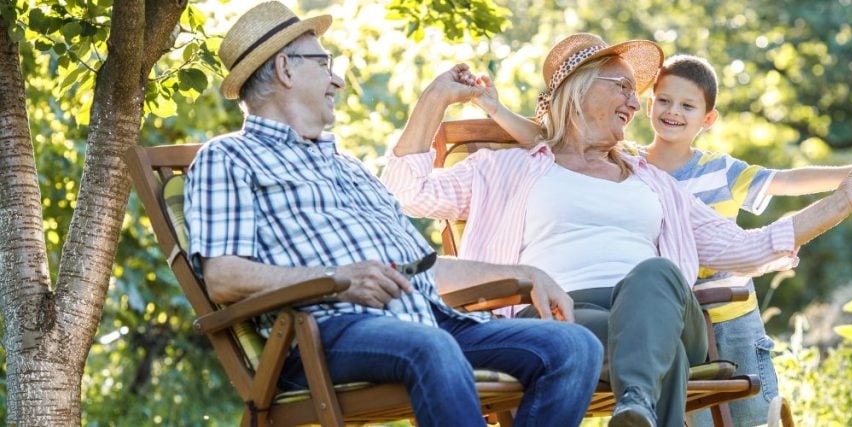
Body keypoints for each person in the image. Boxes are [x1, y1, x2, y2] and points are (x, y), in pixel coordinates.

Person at [380, 33, 852, 427]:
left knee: (654, 274)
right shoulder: (505, 169)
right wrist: (434, 100)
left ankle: (633, 404)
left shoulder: (656, 184)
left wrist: (845, 199)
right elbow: (406, 187)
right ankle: (641, 406)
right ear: (579, 91)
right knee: (608, 339)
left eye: (638, 94)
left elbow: (752, 247)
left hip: (662, 305)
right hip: (565, 316)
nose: (638, 104)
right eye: (624, 89)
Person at [182, 4, 602, 426]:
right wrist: (338, 279)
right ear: (285, 70)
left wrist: (528, 272)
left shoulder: (346, 165)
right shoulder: (229, 157)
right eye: (324, 63)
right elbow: (222, 277)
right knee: (431, 347)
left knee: (574, 347)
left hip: (429, 322)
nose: (338, 80)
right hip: (327, 333)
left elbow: (422, 269)